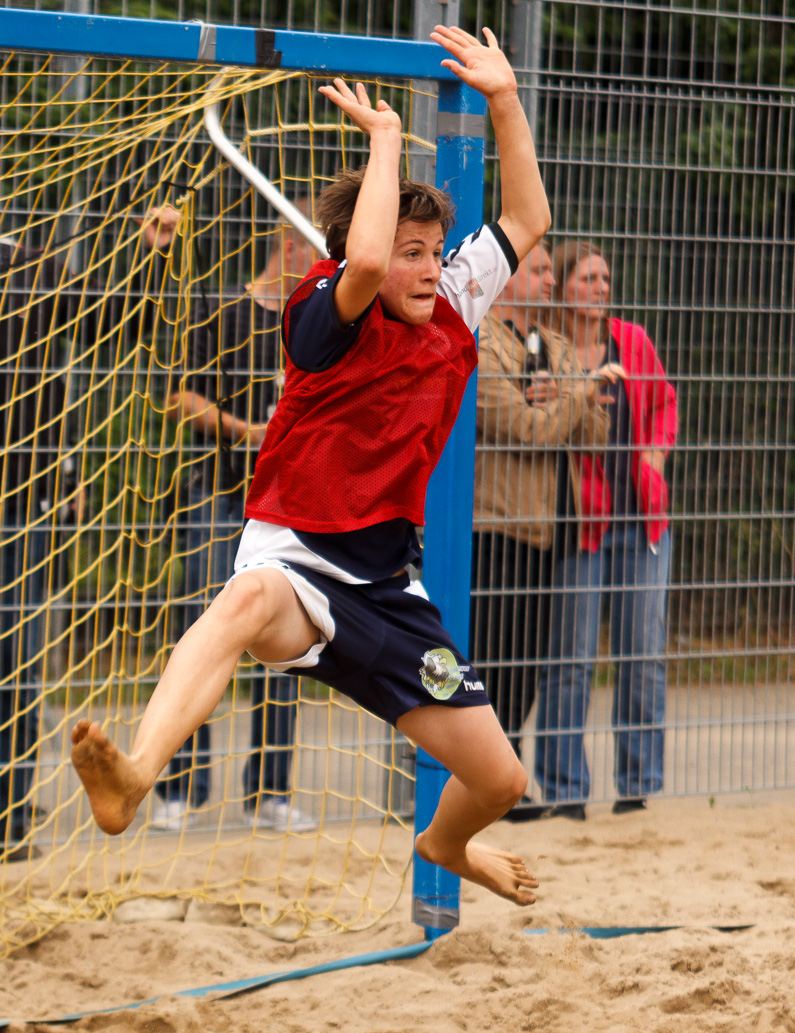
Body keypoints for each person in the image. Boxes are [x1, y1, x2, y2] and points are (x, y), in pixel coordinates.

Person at [69, 25, 550, 907]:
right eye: (412, 251)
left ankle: (446, 847)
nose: (427, 266)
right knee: (243, 600)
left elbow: (526, 219)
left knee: (501, 783)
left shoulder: (447, 301)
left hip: (387, 586)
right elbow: (365, 256)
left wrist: (506, 98)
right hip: (295, 558)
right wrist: (388, 140)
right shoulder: (320, 312)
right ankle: (138, 774)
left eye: (433, 251)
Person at [0, 160, 178, 862]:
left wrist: (151, 254)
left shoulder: (28, 270)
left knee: (12, 660)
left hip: (16, 495)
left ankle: (5, 813)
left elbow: (110, 320)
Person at [157, 206, 319, 832]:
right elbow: (178, 396)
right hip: (219, 496)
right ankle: (180, 788)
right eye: (311, 248)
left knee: (285, 644)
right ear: (287, 244)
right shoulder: (226, 312)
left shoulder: (315, 322)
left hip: (287, 507)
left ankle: (270, 792)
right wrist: (245, 431)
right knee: (200, 635)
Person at [530, 241, 677, 817]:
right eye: (586, 278)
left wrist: (654, 457)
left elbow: (664, 404)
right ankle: (565, 791)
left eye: (605, 278)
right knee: (571, 660)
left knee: (642, 656)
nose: (599, 287)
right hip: (580, 525)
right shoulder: (546, 346)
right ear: (563, 287)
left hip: (641, 522)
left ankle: (638, 784)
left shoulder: (632, 341)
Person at [470, 242, 611, 821]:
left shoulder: (552, 344)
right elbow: (524, 428)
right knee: (487, 660)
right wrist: (576, 396)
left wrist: (567, 400)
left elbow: (598, 433)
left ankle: (503, 782)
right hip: (495, 525)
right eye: (542, 268)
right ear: (508, 277)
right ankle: (476, 783)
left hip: (548, 530)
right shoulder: (479, 342)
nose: (552, 278)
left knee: (526, 664)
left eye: (554, 269)